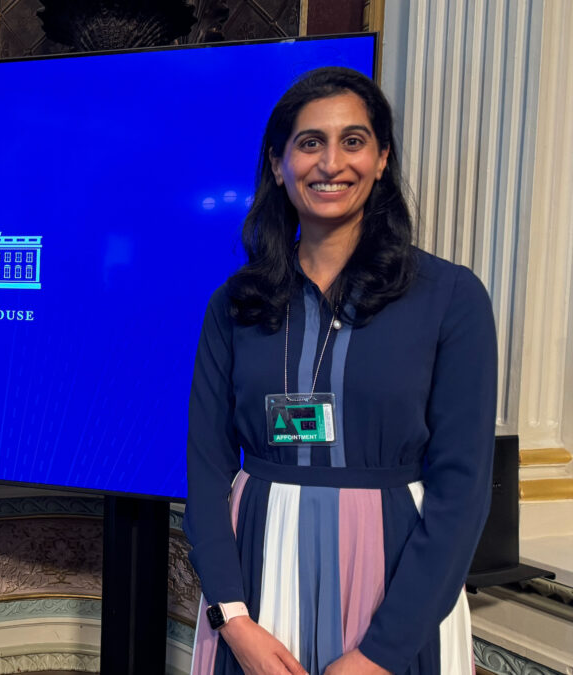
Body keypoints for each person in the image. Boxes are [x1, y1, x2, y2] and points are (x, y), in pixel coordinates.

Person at [184, 67, 496, 675]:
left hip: (395, 588)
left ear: (382, 159)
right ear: (278, 165)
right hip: (257, 583)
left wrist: (382, 654)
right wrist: (234, 620)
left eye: (353, 141)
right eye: (309, 143)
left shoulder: (451, 297)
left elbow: (463, 490)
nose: (332, 163)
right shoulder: (235, 303)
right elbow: (204, 475)